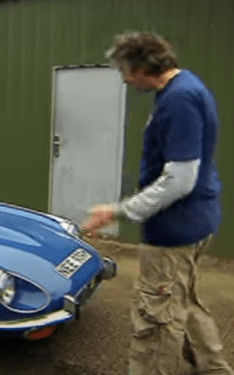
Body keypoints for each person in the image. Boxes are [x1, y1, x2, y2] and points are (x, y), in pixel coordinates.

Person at [82, 32, 233, 375]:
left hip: (174, 230)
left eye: (125, 70)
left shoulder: (180, 100)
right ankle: (213, 367)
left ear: (142, 67)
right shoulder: (184, 89)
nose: (124, 78)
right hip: (194, 221)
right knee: (184, 300)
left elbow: (180, 179)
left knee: (156, 320)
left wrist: (118, 210)